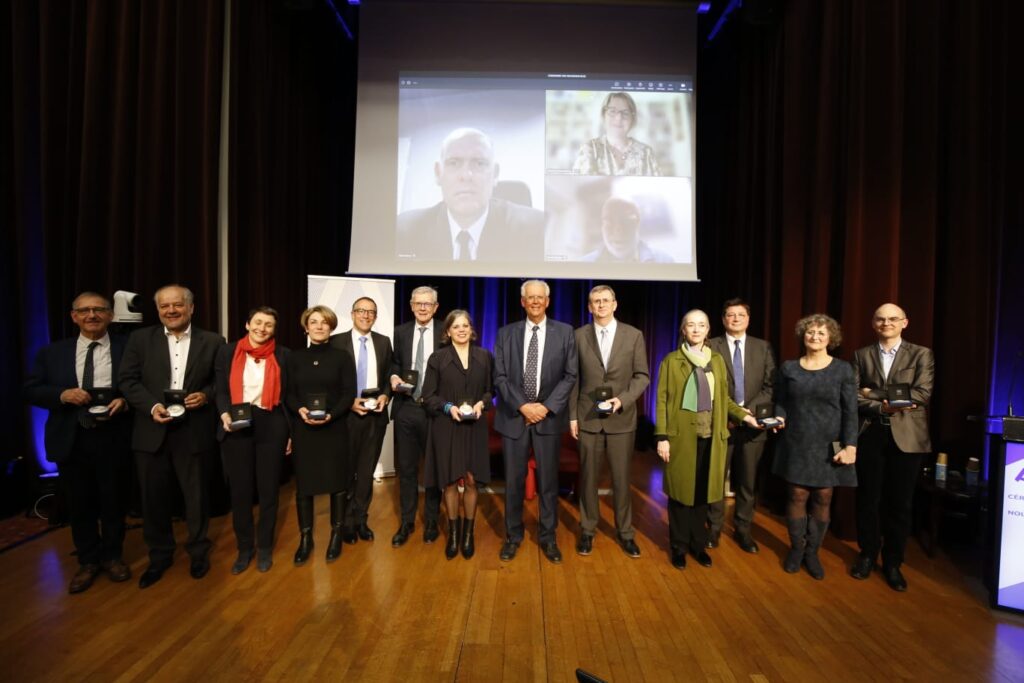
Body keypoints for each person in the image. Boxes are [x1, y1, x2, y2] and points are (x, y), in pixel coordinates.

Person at [25, 292, 132, 593]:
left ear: (110, 315)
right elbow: (31, 389)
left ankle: (113, 557)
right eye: (84, 311)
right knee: (79, 502)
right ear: (74, 316)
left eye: (99, 310)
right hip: (71, 438)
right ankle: (88, 560)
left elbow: (142, 384)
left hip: (114, 436)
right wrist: (62, 395)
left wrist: (125, 401)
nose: (92, 315)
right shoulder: (52, 353)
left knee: (113, 501)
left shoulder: (129, 349)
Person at [118, 285, 224, 588]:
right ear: (158, 310)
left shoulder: (214, 341)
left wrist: (205, 396)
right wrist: (151, 406)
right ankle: (160, 555)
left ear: (191, 308)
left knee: (196, 498)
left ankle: (198, 551)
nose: (171, 311)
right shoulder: (139, 340)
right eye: (165, 306)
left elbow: (222, 383)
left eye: (177, 305)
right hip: (151, 431)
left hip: (194, 432)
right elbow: (127, 380)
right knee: (153, 500)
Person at [655, 310, 758, 570]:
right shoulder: (671, 360)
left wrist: (745, 417)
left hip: (712, 439)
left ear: (708, 329)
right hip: (681, 439)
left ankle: (697, 545)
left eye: (701, 325)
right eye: (691, 325)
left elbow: (724, 399)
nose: (696, 329)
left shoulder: (717, 360)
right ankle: (678, 547)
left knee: (703, 494)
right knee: (680, 496)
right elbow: (663, 401)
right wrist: (662, 437)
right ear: (684, 330)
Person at [494, 279, 578, 564]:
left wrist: (545, 407)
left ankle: (548, 537)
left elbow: (570, 375)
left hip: (548, 419)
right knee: (514, 482)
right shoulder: (506, 333)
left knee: (549, 483)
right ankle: (513, 537)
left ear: (548, 300)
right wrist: (523, 406)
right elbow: (500, 377)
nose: (535, 301)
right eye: (530, 297)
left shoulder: (565, 333)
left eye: (539, 297)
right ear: (522, 301)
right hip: (514, 418)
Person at [851, 303, 934, 591]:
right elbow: (853, 395)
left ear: (904, 323)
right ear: (873, 323)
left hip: (908, 437)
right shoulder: (861, 355)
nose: (886, 323)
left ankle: (893, 562)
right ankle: (867, 554)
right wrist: (881, 405)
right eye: (881, 319)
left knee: (900, 504)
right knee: (868, 500)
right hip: (871, 433)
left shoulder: (921, 354)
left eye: (892, 319)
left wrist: (871, 392)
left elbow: (922, 394)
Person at [771, 314, 858, 580]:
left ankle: (813, 552)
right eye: (810, 332)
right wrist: (779, 415)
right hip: (797, 440)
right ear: (803, 336)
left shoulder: (842, 369)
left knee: (823, 496)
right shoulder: (789, 368)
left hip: (830, 443)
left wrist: (851, 444)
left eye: (821, 333)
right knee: (797, 495)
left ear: (831, 338)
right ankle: (797, 549)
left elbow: (850, 411)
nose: (815, 337)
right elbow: (781, 401)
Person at [569, 285, 650, 557]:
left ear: (615, 304)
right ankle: (588, 531)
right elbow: (574, 380)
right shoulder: (578, 336)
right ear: (589, 307)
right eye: (595, 301)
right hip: (588, 418)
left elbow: (642, 376)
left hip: (621, 419)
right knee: (588, 479)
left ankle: (625, 533)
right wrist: (572, 416)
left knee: (621, 480)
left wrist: (623, 400)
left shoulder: (634, 335)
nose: (601, 305)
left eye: (606, 300)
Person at [215, 306, 290, 574]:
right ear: (247, 324)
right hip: (236, 424)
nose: (262, 328)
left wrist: (290, 432)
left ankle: (265, 547)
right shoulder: (228, 351)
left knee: (269, 490)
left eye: (269, 325)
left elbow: (289, 397)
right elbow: (220, 389)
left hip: (272, 424)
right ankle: (244, 548)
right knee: (241, 491)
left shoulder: (283, 355)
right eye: (258, 322)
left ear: (274, 329)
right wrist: (224, 414)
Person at [396, 127, 545, 261]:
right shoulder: (405, 231)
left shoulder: (538, 230)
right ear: (438, 173)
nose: (466, 175)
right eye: (454, 163)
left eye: (479, 163)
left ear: (495, 174)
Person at [285, 306, 356, 564]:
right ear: (306, 327)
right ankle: (306, 538)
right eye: (313, 322)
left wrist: (332, 414)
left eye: (324, 322)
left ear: (331, 327)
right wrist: (300, 410)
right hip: (304, 428)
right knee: (304, 486)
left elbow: (349, 393)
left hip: (334, 428)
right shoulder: (294, 358)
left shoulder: (342, 357)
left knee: (337, 483)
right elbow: (288, 394)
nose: (318, 326)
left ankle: (336, 535)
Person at [422, 310, 493, 560]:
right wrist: (448, 407)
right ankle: (453, 534)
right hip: (447, 426)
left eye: (466, 325)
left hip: (474, 427)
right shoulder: (438, 358)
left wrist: (482, 404)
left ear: (471, 329)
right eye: (456, 326)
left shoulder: (484, 356)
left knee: (472, 480)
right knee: (451, 481)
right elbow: (428, 396)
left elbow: (489, 391)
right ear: (448, 331)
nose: (461, 330)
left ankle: (468, 534)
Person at [706, 298, 775, 553]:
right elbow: (708, 387)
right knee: (715, 480)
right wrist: (734, 412)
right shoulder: (711, 346)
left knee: (747, 482)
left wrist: (750, 412)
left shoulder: (763, 347)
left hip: (754, 426)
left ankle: (743, 530)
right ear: (723, 320)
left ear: (748, 319)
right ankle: (712, 529)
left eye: (740, 315)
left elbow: (770, 385)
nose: (735, 319)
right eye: (730, 315)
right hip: (722, 424)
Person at [330, 297, 393, 543]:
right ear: (352, 313)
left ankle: (360, 520)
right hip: (345, 417)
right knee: (345, 473)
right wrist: (348, 403)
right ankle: (343, 523)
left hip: (375, 418)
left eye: (371, 312)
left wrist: (386, 395)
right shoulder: (336, 343)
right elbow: (328, 381)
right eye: (361, 311)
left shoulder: (383, 342)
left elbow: (389, 374)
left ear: (375, 316)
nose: (366, 315)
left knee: (366, 473)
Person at [389, 286, 444, 547]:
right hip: (407, 407)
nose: (423, 308)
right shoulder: (400, 332)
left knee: (433, 469)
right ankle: (407, 521)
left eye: (428, 304)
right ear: (411, 306)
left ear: (435, 307)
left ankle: (432, 520)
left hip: (435, 411)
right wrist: (393, 375)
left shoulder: (446, 331)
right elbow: (393, 363)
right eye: (418, 304)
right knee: (407, 469)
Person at [572, 92, 661, 176]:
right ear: (604, 115)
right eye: (612, 111)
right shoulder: (590, 148)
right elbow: (576, 188)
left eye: (625, 113)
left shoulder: (646, 152)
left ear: (632, 119)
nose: (619, 118)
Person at [580, 197, 673, 263]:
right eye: (609, 221)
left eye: (626, 220)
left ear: (638, 223)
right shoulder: (583, 265)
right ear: (602, 226)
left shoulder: (665, 261)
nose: (618, 230)